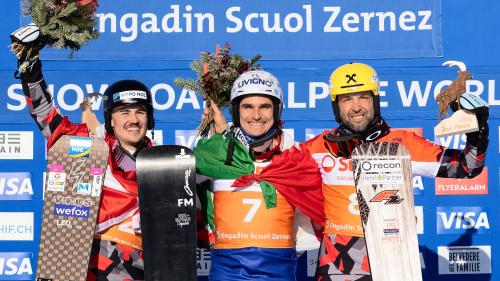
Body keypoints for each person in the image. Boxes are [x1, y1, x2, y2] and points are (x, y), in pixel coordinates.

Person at [305, 62, 489, 281]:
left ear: (375, 100)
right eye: (347, 99)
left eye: (363, 97)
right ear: (336, 106)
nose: (356, 107)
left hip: (394, 257)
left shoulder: (404, 143)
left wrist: (477, 133)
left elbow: (466, 167)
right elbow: (271, 165)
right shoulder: (318, 147)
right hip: (339, 261)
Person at [12, 25, 155, 281]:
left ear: (149, 118)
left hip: (142, 266)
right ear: (110, 119)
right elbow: (45, 115)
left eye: (140, 112)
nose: (133, 120)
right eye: (124, 112)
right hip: (84, 262)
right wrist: (30, 71)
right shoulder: (86, 142)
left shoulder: (165, 162)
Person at [194, 70, 324, 281]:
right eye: (248, 107)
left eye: (265, 106)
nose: (256, 115)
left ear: (277, 111)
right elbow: (186, 203)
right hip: (226, 273)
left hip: (279, 272)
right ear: (236, 111)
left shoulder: (296, 160)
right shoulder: (213, 154)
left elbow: (320, 211)